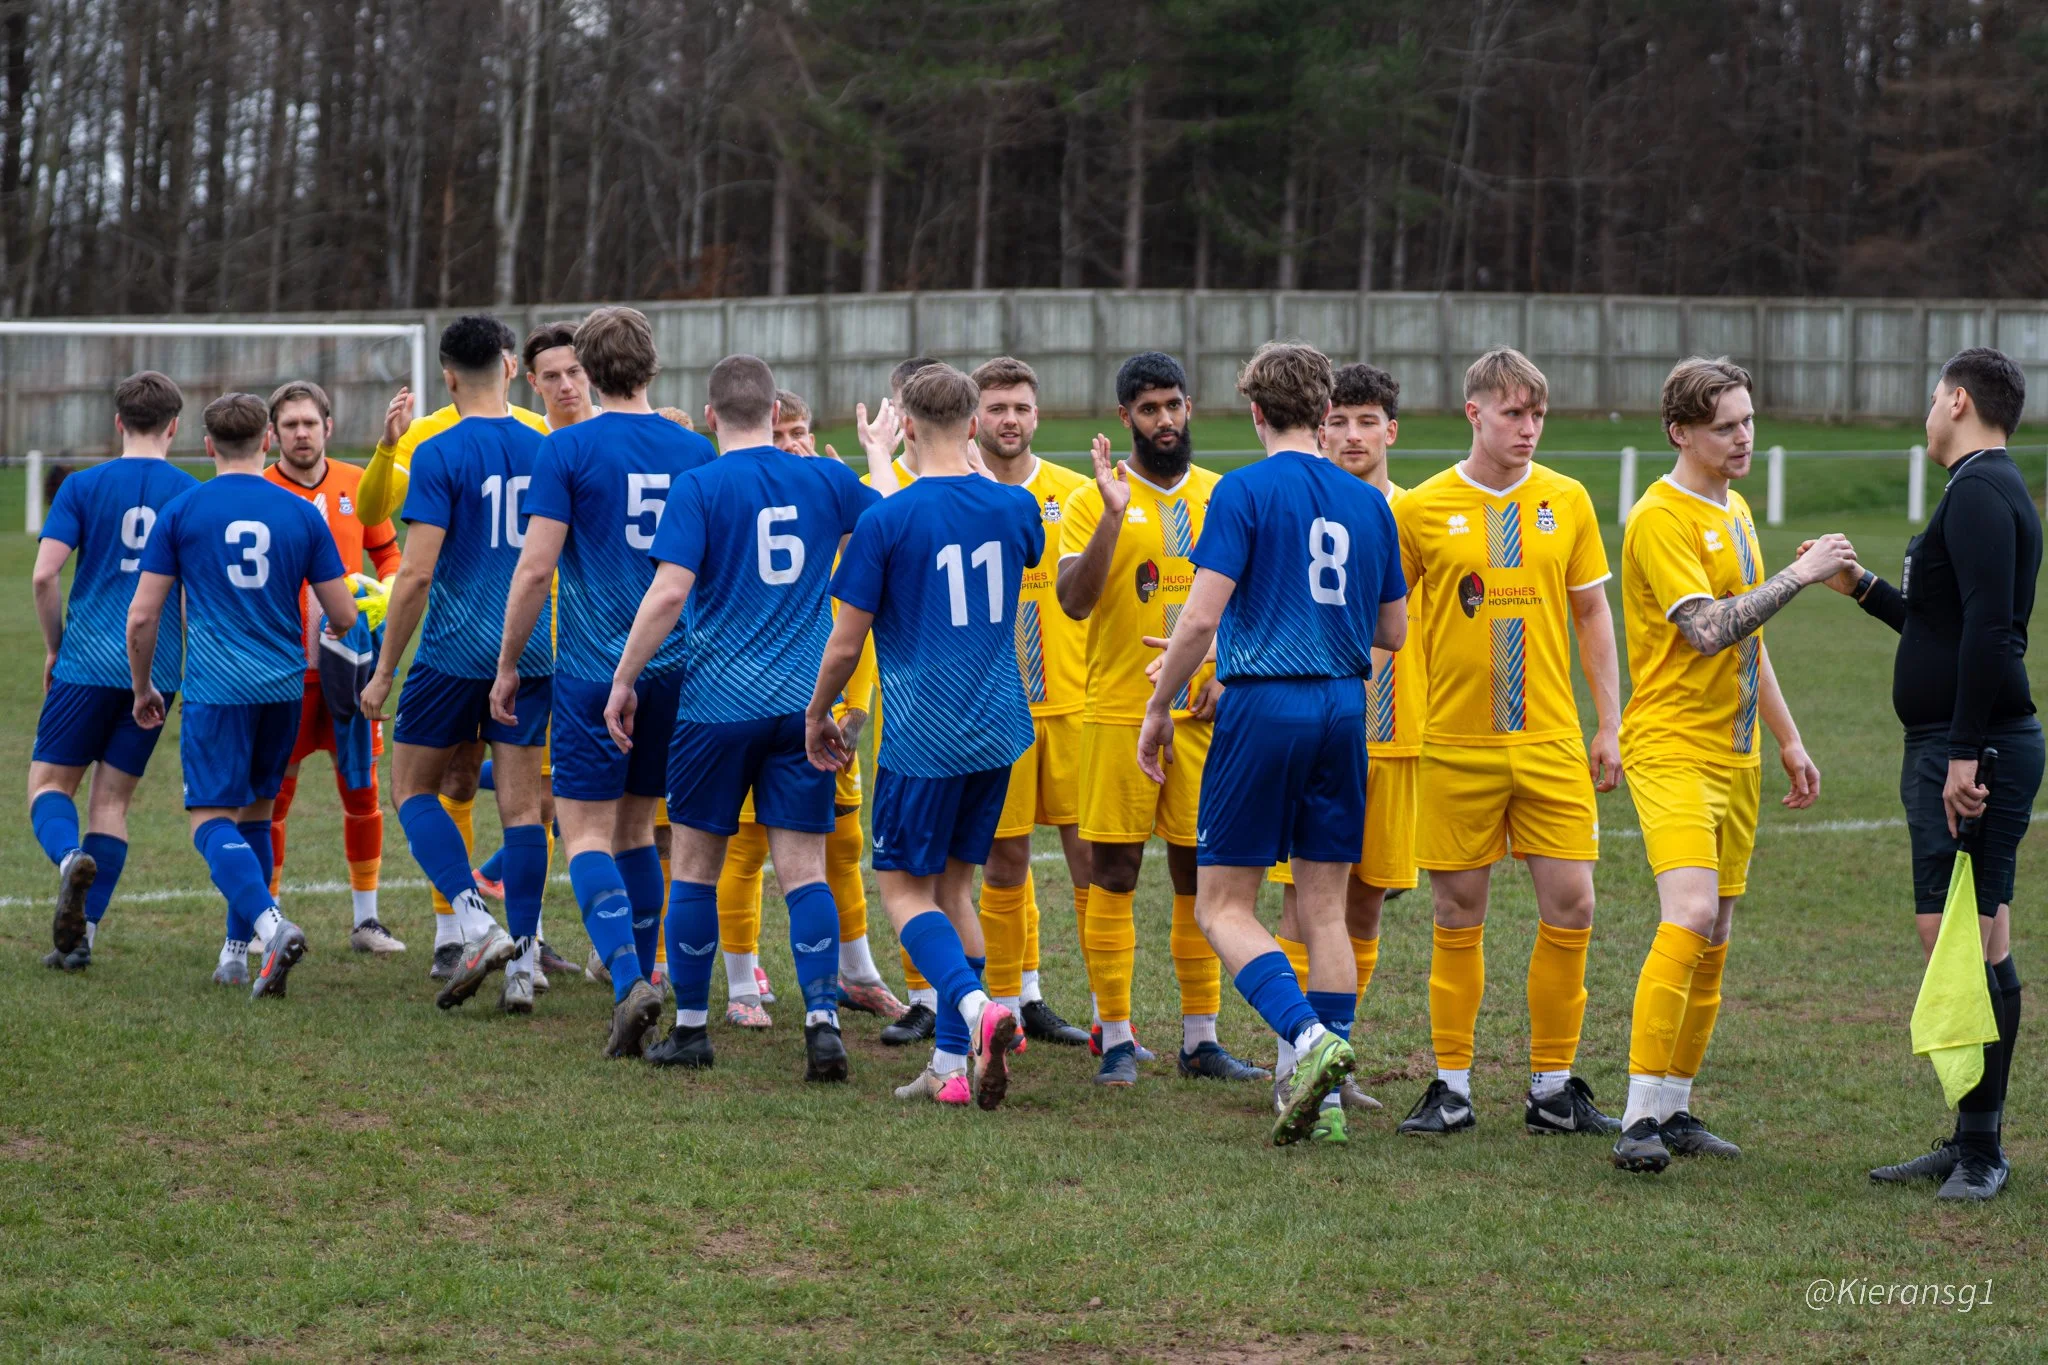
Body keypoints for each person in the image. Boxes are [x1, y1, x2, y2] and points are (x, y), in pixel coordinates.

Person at [1139, 342, 1407, 1145]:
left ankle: (1308, 1037)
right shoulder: (1369, 503)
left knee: (1221, 904)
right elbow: (1391, 629)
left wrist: (1159, 705)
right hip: (1341, 704)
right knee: (1324, 907)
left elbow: (1199, 615)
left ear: (1254, 411)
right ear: (1325, 412)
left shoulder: (1244, 490)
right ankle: (1321, 1097)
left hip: (1263, 703)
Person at [606, 355, 886, 1079]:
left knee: (696, 867)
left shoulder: (698, 484)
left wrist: (624, 678)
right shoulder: (824, 478)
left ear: (708, 416)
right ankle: (822, 1023)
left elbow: (668, 594)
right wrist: (882, 457)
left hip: (715, 707)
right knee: (804, 871)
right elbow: (889, 522)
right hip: (803, 709)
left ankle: (694, 1028)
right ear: (773, 411)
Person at [1610, 357, 1853, 1173]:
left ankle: (1676, 1105)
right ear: (1682, 432)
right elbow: (1709, 629)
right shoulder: (1657, 518)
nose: (1744, 436)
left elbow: (1752, 638)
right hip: (1672, 745)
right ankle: (1637, 1117)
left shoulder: (1738, 508)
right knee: (1686, 911)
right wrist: (1800, 572)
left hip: (1738, 751)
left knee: (1716, 931)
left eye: (1749, 420)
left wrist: (1787, 737)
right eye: (1726, 425)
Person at [1392, 348, 1624, 1138]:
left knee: (1575, 903)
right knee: (1458, 910)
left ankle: (1553, 1088)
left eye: (1537, 415)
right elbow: (1385, 622)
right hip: (1455, 743)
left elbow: (1593, 614)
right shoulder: (1419, 508)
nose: (1528, 429)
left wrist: (1609, 722)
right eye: (1513, 413)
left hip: (1552, 740)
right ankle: (1450, 1085)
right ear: (1474, 414)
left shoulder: (1568, 499)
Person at [1825, 348, 2039, 1202]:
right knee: (1976, 937)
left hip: (1971, 748)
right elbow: (1943, 626)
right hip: (1960, 740)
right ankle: (1970, 1136)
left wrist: (1960, 750)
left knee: (1962, 941)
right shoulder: (1980, 489)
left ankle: (1983, 1149)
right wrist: (1865, 587)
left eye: (1929, 400)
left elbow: (1993, 631)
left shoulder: (1982, 491)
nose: (1925, 414)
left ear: (1957, 400)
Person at [805, 362, 1039, 1108]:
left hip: (923, 734)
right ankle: (949, 1066)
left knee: (904, 890)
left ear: (905, 427)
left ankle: (974, 1010)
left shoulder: (886, 519)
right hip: (997, 726)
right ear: (973, 426)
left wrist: (817, 712)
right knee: (956, 887)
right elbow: (1025, 542)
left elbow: (845, 643)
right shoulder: (1014, 504)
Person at [495, 306, 716, 1026]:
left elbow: (534, 572)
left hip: (595, 668)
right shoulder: (696, 452)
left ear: (586, 371)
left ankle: (628, 979)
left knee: (586, 832)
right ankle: (646, 968)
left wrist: (506, 666)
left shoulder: (566, 450)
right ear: (653, 366)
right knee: (639, 826)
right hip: (678, 666)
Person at [1057, 351, 1264, 1086]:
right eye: (1148, 409)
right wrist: (1113, 517)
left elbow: (1252, 605)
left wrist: (1225, 676)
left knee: (1199, 872)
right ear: (1124, 418)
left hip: (1207, 719)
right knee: (1113, 872)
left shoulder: (1225, 496)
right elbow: (1075, 601)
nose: (1165, 420)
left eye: (1174, 405)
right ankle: (1114, 1034)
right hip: (1117, 713)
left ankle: (1200, 1039)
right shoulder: (1093, 500)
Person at [126, 393, 357, 997]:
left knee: (208, 821)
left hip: (216, 689)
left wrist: (144, 684)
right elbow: (342, 614)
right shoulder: (303, 514)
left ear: (206, 447)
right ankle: (235, 954)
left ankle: (270, 926)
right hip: (283, 688)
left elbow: (142, 618)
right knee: (256, 812)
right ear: (268, 442)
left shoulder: (182, 511)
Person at [359, 315, 551, 1015]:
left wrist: (383, 671)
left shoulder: (438, 450)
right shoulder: (547, 444)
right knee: (524, 808)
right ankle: (525, 963)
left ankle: (473, 922)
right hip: (531, 646)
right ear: (509, 364)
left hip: (454, 648)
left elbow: (412, 576)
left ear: (446, 376)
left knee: (410, 787)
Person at [701, 388, 907, 1026]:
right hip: (758, 704)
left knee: (842, 844)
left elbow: (862, 622)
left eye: (802, 432)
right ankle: (740, 985)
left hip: (831, 705)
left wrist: (858, 704)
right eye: (783, 432)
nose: (793, 443)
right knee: (747, 847)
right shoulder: (742, 497)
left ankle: (857, 974)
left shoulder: (830, 495)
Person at [1259, 363, 1420, 1120]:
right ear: (1320, 422)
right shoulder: (1306, 504)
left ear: (1392, 429)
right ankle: (1295, 1056)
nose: (1352, 436)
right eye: (1341, 421)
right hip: (1329, 734)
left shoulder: (1414, 513)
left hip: (1397, 742)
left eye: (1368, 422)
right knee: (1305, 905)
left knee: (1365, 911)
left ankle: (1337, 1055)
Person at [29, 371, 198, 970]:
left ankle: (69, 857)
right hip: (155, 672)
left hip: (86, 663)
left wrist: (55, 647)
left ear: (118, 422)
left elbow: (45, 575)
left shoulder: (81, 486)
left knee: (49, 787)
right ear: (174, 426)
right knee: (112, 806)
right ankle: (84, 939)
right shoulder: (188, 492)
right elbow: (189, 593)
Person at [969, 356, 1093, 1048]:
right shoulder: (959, 494)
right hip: (998, 714)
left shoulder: (1075, 494)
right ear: (973, 418)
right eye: (996, 408)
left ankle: (1112, 1016)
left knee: (1091, 863)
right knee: (1005, 863)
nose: (1009, 419)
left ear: (1036, 415)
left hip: (1075, 708)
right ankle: (1010, 1006)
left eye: (1020, 407)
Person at [261, 380, 406, 955]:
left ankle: (366, 922)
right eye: (290, 424)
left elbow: (389, 551)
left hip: (351, 670)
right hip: (283, 673)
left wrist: (390, 587)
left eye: (310, 423)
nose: (301, 433)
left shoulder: (355, 484)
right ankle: (265, 918)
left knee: (361, 790)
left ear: (328, 427)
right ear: (272, 433)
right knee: (273, 797)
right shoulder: (258, 488)